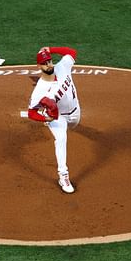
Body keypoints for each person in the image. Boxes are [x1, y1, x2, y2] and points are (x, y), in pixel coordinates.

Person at [27, 46, 81, 193]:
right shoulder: (40, 90)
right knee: (61, 139)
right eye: (45, 63)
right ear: (39, 66)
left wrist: (51, 49)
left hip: (76, 112)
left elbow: (72, 52)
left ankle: (70, 124)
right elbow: (31, 112)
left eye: (50, 61)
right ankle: (63, 175)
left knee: (75, 125)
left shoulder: (62, 66)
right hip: (58, 117)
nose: (49, 64)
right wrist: (45, 117)